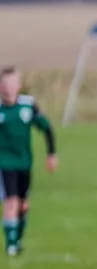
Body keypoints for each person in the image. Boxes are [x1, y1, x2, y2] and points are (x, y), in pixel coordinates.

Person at [0, 67, 57, 257]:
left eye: (13, 83)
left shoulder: (28, 106)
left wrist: (51, 154)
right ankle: (11, 246)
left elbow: (47, 128)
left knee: (23, 205)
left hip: (24, 163)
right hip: (4, 164)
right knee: (11, 202)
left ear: (19, 85)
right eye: (6, 83)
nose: (9, 87)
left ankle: (17, 239)